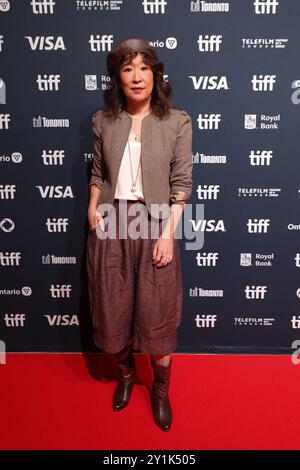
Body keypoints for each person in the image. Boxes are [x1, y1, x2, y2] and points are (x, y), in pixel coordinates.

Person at [86, 38, 193, 432]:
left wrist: (167, 235)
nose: (136, 77)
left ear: (155, 74)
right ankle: (127, 376)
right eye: (128, 69)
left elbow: (182, 184)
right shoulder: (104, 121)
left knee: (157, 311)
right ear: (118, 76)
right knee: (112, 307)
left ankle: (161, 390)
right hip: (111, 224)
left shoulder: (177, 121)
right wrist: (92, 206)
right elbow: (98, 172)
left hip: (155, 223)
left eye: (144, 68)